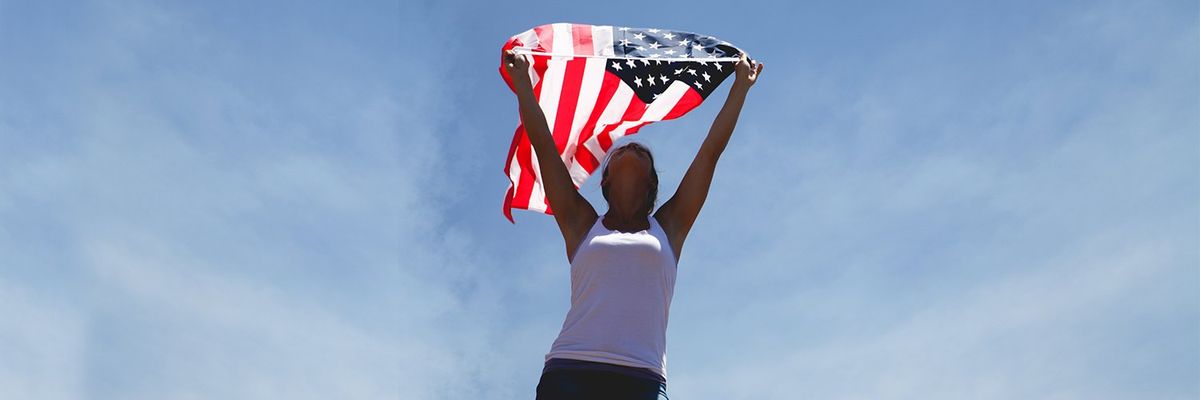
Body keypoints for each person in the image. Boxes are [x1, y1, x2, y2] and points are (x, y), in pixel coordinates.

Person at [502, 48, 763, 400]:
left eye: (643, 153)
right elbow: (545, 147)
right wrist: (522, 84)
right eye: (620, 153)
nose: (632, 147)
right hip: (571, 369)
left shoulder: (670, 226)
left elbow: (710, 152)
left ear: (652, 183)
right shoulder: (581, 224)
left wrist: (740, 89)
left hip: (643, 377)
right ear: (605, 180)